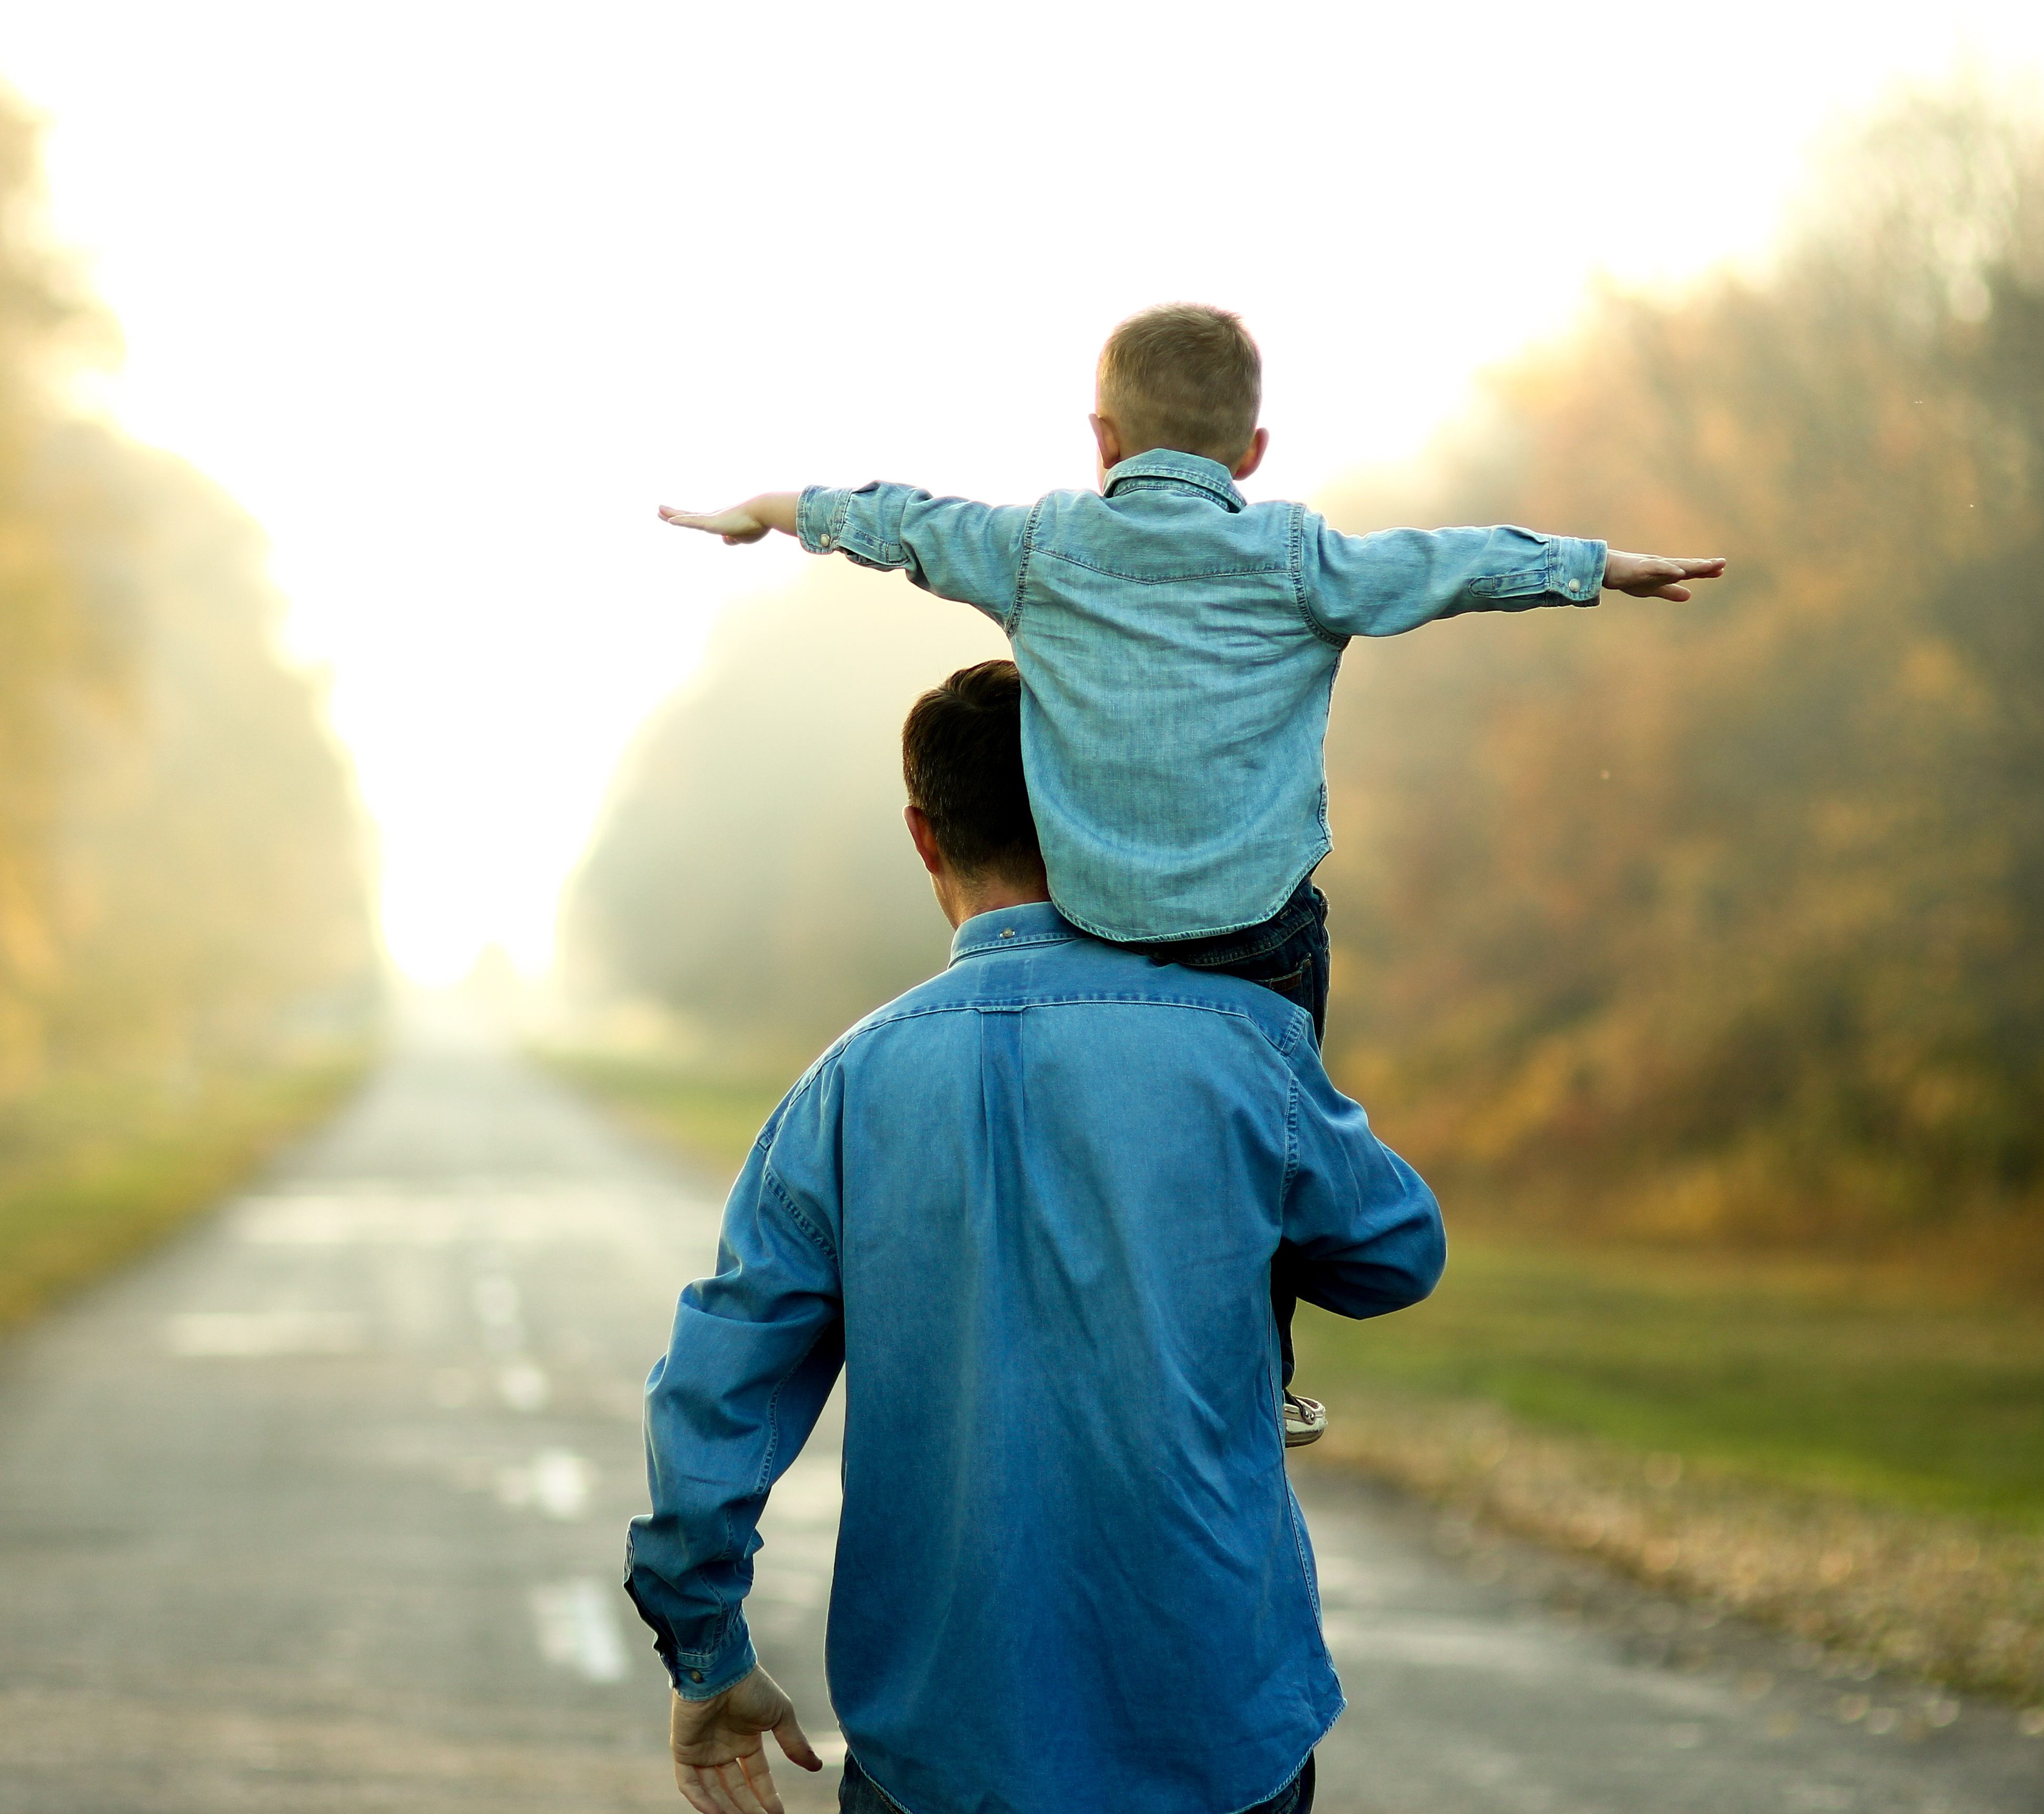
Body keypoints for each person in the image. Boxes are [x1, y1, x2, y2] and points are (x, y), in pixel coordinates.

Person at [659, 300, 1723, 1441]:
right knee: (1267, 1152)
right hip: (1260, 944)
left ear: (1102, 437)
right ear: (1252, 454)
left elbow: (903, 521)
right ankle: (1256, 1378)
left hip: (1096, 931)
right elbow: (1448, 566)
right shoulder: (1300, 557)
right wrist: (1597, 565)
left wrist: (772, 514)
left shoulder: (1039, 549)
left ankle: (1073, 1320)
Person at [622, 660, 1447, 1814]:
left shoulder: (845, 1091)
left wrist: (704, 1650)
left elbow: (711, 1405)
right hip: (1219, 1738)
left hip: (942, 1760)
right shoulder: (1243, 1045)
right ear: (1103, 804)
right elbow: (1399, 1256)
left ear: (924, 837)